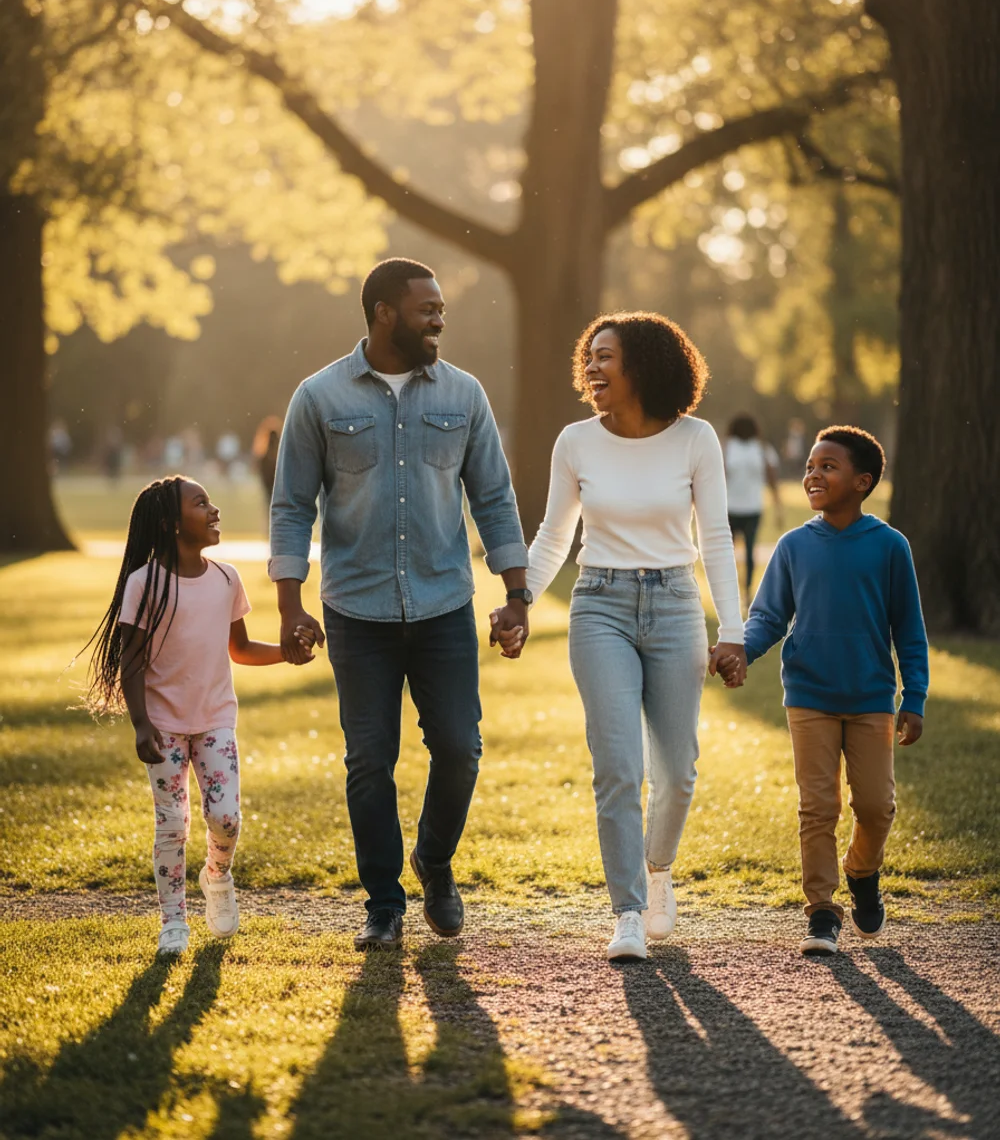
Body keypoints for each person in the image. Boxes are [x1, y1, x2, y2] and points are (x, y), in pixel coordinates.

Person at [269, 257, 530, 953]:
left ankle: (434, 862)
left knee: (459, 748)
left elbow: (495, 499)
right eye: (427, 308)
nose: (439, 318)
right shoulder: (319, 398)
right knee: (368, 760)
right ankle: (383, 902)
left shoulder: (465, 395)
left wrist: (516, 594)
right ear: (384, 313)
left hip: (445, 605)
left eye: (441, 308)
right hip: (357, 612)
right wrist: (290, 605)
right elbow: (292, 506)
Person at [496, 312, 745, 963]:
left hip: (674, 605)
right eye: (590, 357)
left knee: (678, 771)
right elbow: (555, 534)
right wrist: (519, 600)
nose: (593, 369)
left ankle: (658, 868)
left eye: (607, 357)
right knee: (618, 767)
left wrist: (734, 631)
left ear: (646, 365)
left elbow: (715, 538)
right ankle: (628, 911)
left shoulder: (696, 440)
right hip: (599, 605)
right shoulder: (576, 441)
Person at [81, 475, 314, 955]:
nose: (214, 510)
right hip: (164, 726)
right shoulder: (144, 584)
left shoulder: (226, 577)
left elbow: (241, 648)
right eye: (200, 503)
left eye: (211, 501)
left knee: (225, 817)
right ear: (170, 523)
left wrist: (287, 652)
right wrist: (142, 723)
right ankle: (174, 923)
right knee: (172, 824)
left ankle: (217, 874)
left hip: (215, 721)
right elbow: (131, 661)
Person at [729, 426, 928, 957]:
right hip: (809, 696)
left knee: (876, 806)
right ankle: (821, 912)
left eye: (828, 467)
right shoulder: (794, 546)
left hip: (870, 697)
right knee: (818, 807)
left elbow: (909, 630)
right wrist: (741, 651)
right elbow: (769, 615)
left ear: (862, 482)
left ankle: (862, 872)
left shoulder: (890, 547)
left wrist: (915, 697)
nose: (813, 474)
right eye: (811, 465)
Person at [724, 412, 782, 600]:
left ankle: (743, 591)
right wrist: (778, 507)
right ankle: (742, 591)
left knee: (740, 553)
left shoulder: (729, 448)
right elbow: (773, 480)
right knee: (741, 552)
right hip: (742, 508)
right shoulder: (761, 448)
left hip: (740, 508)